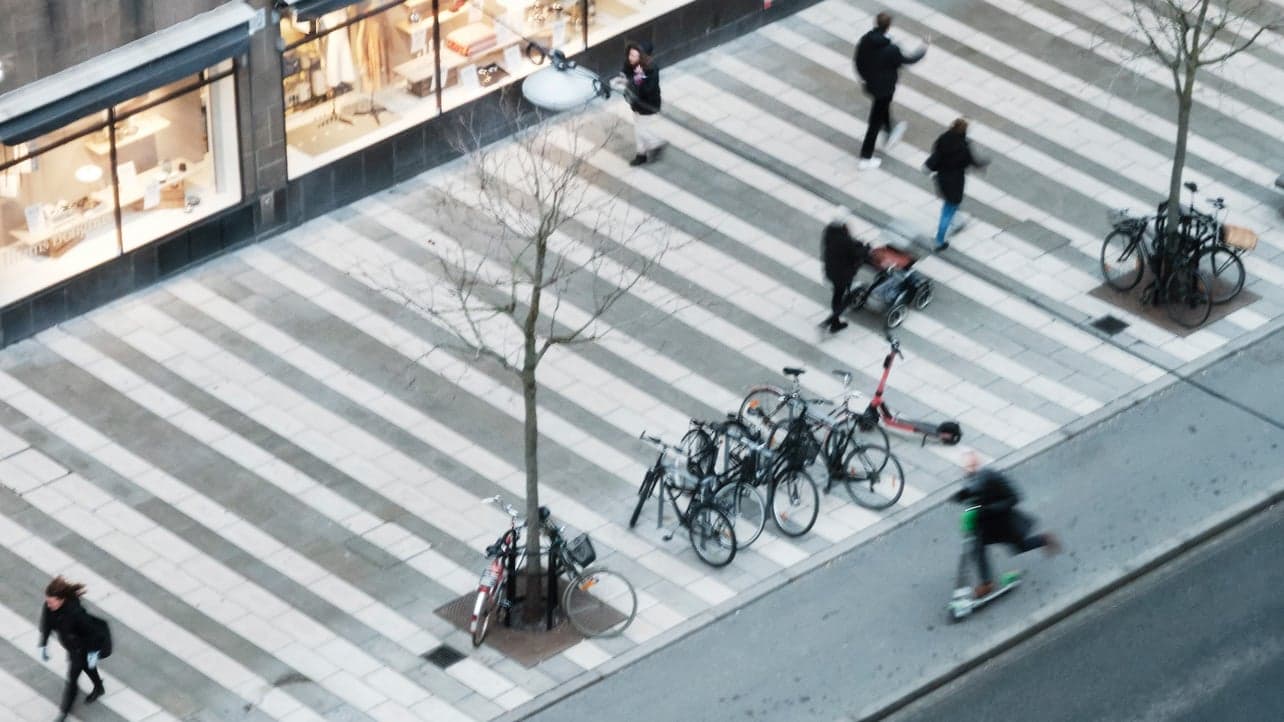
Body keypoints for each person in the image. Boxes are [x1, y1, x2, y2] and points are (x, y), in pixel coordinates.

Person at [953, 454, 1061, 598]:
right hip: (985, 524)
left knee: (1019, 547)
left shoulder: (993, 478)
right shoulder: (971, 480)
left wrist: (988, 509)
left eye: (972, 466)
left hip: (1003, 523)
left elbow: (1014, 498)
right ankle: (987, 583)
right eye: (966, 468)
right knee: (977, 549)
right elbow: (974, 502)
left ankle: (1044, 539)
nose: (969, 470)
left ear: (978, 464)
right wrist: (968, 512)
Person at [854, 13, 928, 170]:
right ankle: (865, 157)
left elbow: (858, 60)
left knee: (882, 108)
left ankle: (889, 130)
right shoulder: (891, 49)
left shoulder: (865, 40)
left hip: (870, 85)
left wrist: (863, 78)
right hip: (885, 88)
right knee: (875, 122)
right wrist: (924, 48)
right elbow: (909, 60)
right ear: (888, 26)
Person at [39, 576, 109, 721]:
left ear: (61, 600)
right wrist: (44, 644)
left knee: (72, 679)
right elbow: (46, 625)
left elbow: (94, 633)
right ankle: (99, 687)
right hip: (72, 646)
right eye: (47, 601)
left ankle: (64, 712)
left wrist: (93, 652)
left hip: (82, 648)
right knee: (88, 668)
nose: (48, 604)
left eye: (51, 602)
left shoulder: (76, 614)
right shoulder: (49, 607)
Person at [923, 118, 988, 250]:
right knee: (948, 210)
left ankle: (958, 222)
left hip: (941, 178)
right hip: (955, 181)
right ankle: (939, 241)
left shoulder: (943, 139)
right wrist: (981, 164)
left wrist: (929, 167)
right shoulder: (963, 146)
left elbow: (936, 155)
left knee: (950, 204)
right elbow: (971, 161)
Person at [821, 206, 869, 333]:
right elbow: (854, 253)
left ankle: (834, 322)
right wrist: (865, 248)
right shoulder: (844, 239)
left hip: (831, 269)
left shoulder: (829, 231)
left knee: (837, 294)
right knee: (843, 296)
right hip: (842, 274)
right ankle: (831, 321)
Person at [623, 40, 663, 166]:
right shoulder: (631, 64)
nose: (630, 58)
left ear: (642, 56)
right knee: (638, 129)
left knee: (641, 130)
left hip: (648, 105)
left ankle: (656, 144)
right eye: (630, 54)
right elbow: (626, 74)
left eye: (634, 55)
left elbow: (647, 90)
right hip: (636, 104)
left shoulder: (652, 70)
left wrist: (639, 78)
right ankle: (641, 154)